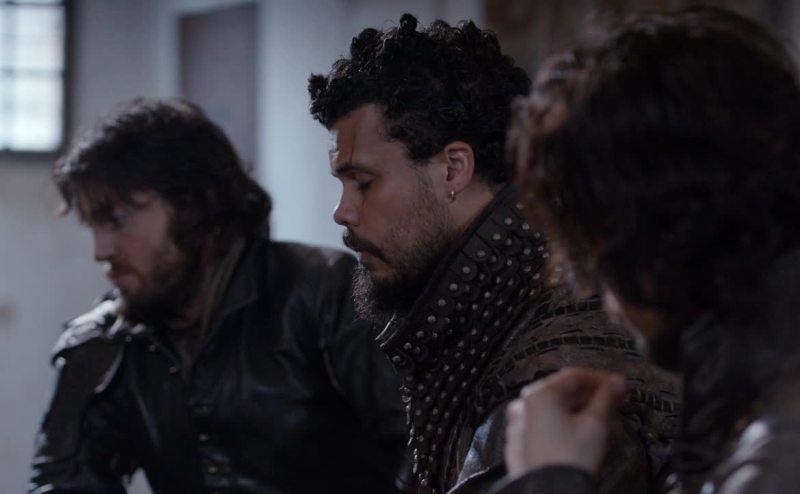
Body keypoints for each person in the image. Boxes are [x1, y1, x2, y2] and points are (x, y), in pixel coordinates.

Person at [309, 14, 679, 494]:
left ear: (453, 169)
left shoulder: (555, 358)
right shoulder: (480, 315)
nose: (342, 212)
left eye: (363, 183)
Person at [29, 98, 406, 493]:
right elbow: (63, 484)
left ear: (196, 205)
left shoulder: (322, 290)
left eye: (116, 220)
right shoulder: (105, 342)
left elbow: (418, 450)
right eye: (93, 226)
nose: (101, 250)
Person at [503, 6, 800, 493]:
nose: (592, 290)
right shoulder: (744, 400)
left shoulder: (774, 457)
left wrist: (548, 478)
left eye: (593, 251)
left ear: (650, 242)